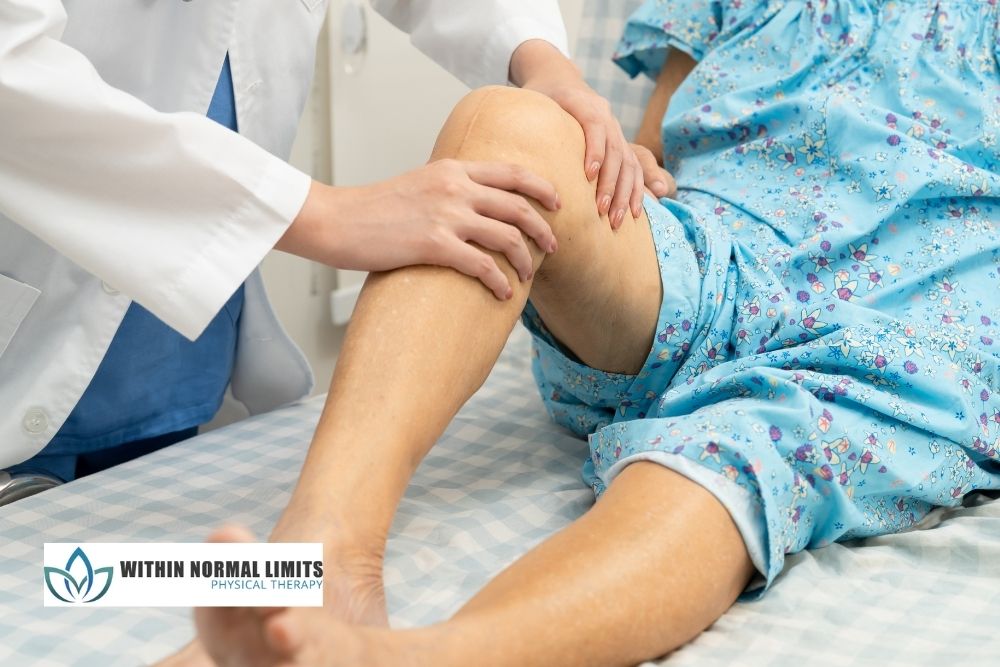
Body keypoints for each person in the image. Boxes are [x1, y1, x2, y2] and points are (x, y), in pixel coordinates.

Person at [176, 0, 1000, 664]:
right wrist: (630, 163)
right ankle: (316, 561)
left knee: (734, 447)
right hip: (718, 263)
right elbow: (652, 144)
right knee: (509, 125)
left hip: (904, 321)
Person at [0, 0, 671, 499]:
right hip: (27, 340)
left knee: (149, 578)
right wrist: (324, 214)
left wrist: (539, 58)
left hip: (175, 375)